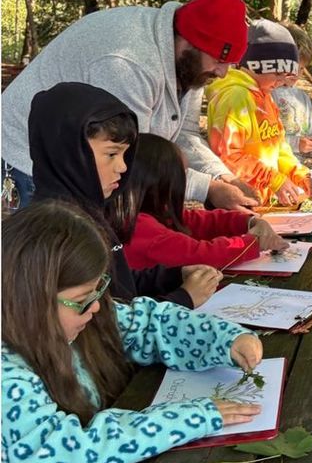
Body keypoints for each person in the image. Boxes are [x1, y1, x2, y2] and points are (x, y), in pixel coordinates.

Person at [1, 201, 290, 463]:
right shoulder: (7, 372)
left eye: (99, 290)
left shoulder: (77, 320)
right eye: (83, 299)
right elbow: (59, 455)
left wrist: (226, 340)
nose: (97, 307)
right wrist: (195, 416)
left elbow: (150, 322)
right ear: (31, 298)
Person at [1, 0, 259, 212]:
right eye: (219, 60)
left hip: (80, 163)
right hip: (24, 160)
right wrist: (208, 190)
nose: (222, 73)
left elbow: (186, 135)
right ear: (189, 45)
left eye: (230, 64)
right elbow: (133, 156)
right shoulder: (129, 62)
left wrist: (222, 176)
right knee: (46, 261)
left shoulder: (189, 64)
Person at [29, 82, 219, 308]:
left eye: (125, 155)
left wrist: (174, 276)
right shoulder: (58, 234)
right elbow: (104, 321)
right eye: (111, 154)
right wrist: (183, 299)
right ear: (70, 155)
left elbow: (118, 283)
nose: (123, 167)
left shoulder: (90, 211)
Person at [111, 133, 289, 271]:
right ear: (162, 183)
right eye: (183, 175)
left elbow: (195, 220)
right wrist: (252, 242)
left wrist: (247, 221)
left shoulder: (143, 213)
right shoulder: (138, 227)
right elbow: (199, 255)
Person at [207, 20, 312, 206]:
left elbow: (278, 146)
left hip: (261, 201)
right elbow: (228, 155)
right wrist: (273, 179)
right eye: (278, 74)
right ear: (260, 65)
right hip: (234, 201)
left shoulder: (264, 95)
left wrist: (298, 173)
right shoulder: (235, 97)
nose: (283, 82)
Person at [271, 23, 312, 159]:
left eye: (301, 69)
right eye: (292, 67)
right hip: (271, 171)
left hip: (297, 171)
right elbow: (261, 141)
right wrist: (295, 144)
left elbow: (308, 142)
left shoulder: (302, 98)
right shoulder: (267, 94)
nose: (296, 75)